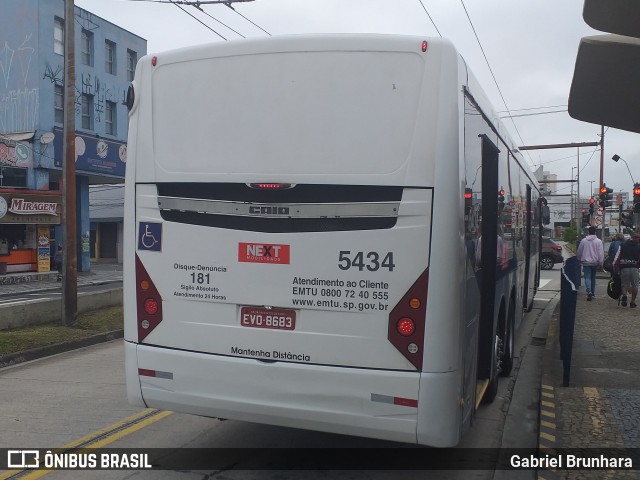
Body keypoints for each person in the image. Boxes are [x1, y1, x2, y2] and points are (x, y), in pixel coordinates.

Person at [576, 226, 604, 301]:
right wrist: (600, 262)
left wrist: (579, 259)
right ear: (595, 232)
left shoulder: (584, 241)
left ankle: (589, 291)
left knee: (587, 277)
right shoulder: (599, 241)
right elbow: (600, 253)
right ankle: (593, 292)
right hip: (595, 262)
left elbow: (579, 251)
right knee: (593, 277)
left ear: (588, 232)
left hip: (585, 262)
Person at [613, 232, 640, 308]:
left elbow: (617, 256)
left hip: (624, 267)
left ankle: (624, 296)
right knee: (635, 285)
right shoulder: (638, 246)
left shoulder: (623, 245)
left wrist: (615, 266)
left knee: (624, 284)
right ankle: (632, 302)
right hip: (634, 267)